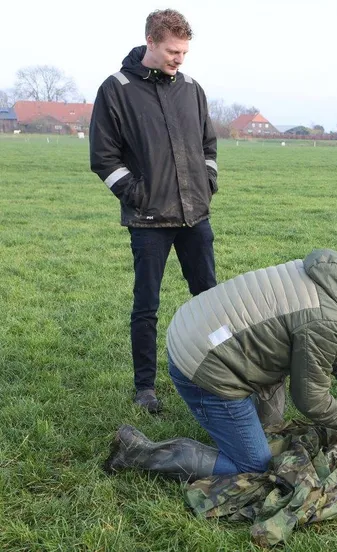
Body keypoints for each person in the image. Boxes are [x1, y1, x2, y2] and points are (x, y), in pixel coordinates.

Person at [104, 249, 337, 481]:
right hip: (202, 366)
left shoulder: (329, 280)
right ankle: (137, 452)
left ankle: (246, 431)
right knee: (253, 465)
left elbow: (315, 335)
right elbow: (311, 399)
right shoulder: (327, 320)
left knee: (268, 429)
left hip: (196, 329)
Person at [90, 9, 219, 413]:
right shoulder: (117, 89)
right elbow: (103, 157)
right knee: (146, 305)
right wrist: (138, 195)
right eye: (172, 51)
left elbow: (208, 146)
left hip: (195, 216)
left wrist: (207, 183)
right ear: (150, 41)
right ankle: (145, 387)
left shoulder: (192, 88)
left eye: (184, 52)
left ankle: (220, 372)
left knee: (210, 300)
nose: (179, 59)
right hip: (149, 221)